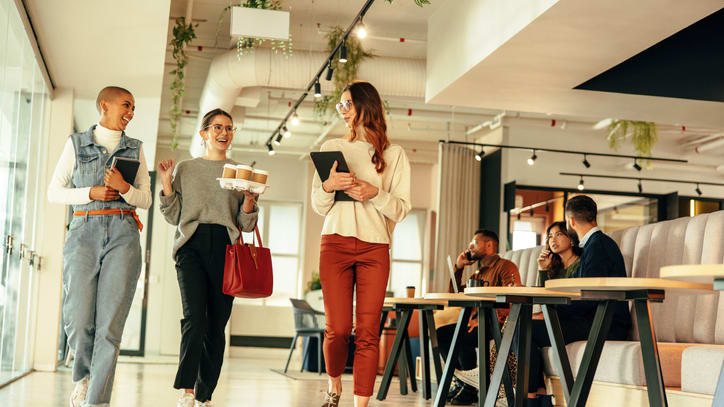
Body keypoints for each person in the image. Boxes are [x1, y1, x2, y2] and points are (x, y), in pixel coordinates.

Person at [48, 86, 152, 407]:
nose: (131, 113)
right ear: (104, 105)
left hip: (123, 233)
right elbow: (54, 192)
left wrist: (124, 188)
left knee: (110, 327)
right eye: (126, 105)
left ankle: (96, 400)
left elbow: (145, 199)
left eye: (133, 107)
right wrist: (90, 193)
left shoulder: (136, 148)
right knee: (79, 320)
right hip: (83, 230)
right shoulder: (76, 144)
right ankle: (82, 376)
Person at [311, 81, 411, 407]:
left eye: (348, 104)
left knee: (368, 332)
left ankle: (361, 404)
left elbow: (402, 208)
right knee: (338, 329)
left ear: (366, 106)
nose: (342, 111)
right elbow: (318, 204)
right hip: (335, 242)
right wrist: (328, 186)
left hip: (375, 248)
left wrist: (375, 193)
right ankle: (334, 385)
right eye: (340, 105)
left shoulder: (393, 155)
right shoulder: (330, 147)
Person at [158, 108, 259, 407]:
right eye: (217, 127)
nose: (224, 133)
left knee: (215, 324)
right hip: (190, 245)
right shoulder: (187, 169)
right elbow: (173, 215)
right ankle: (186, 390)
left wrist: (250, 199)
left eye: (229, 128)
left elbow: (247, 224)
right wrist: (166, 181)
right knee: (194, 319)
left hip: (226, 250)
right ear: (203, 134)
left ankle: (204, 396)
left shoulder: (241, 171)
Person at [526, 195, 631, 407]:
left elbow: (587, 298)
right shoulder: (594, 245)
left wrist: (550, 312)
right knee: (525, 327)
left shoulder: (597, 247)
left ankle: (535, 399)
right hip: (593, 319)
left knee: (525, 329)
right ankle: (536, 397)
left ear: (570, 221)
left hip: (604, 324)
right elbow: (578, 291)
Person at [434, 229, 522, 405]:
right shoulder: (478, 273)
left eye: (474, 243)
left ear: (489, 245)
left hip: (499, 324)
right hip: (477, 322)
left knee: (463, 336)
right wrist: (458, 267)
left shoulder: (506, 266)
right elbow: (455, 295)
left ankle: (470, 388)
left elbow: (514, 297)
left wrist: (486, 320)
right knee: (440, 334)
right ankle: (462, 380)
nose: (470, 246)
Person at [536, 221, 583, 286]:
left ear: (571, 239)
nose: (553, 240)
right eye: (550, 236)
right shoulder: (553, 265)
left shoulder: (582, 263)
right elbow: (541, 293)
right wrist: (543, 269)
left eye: (558, 234)